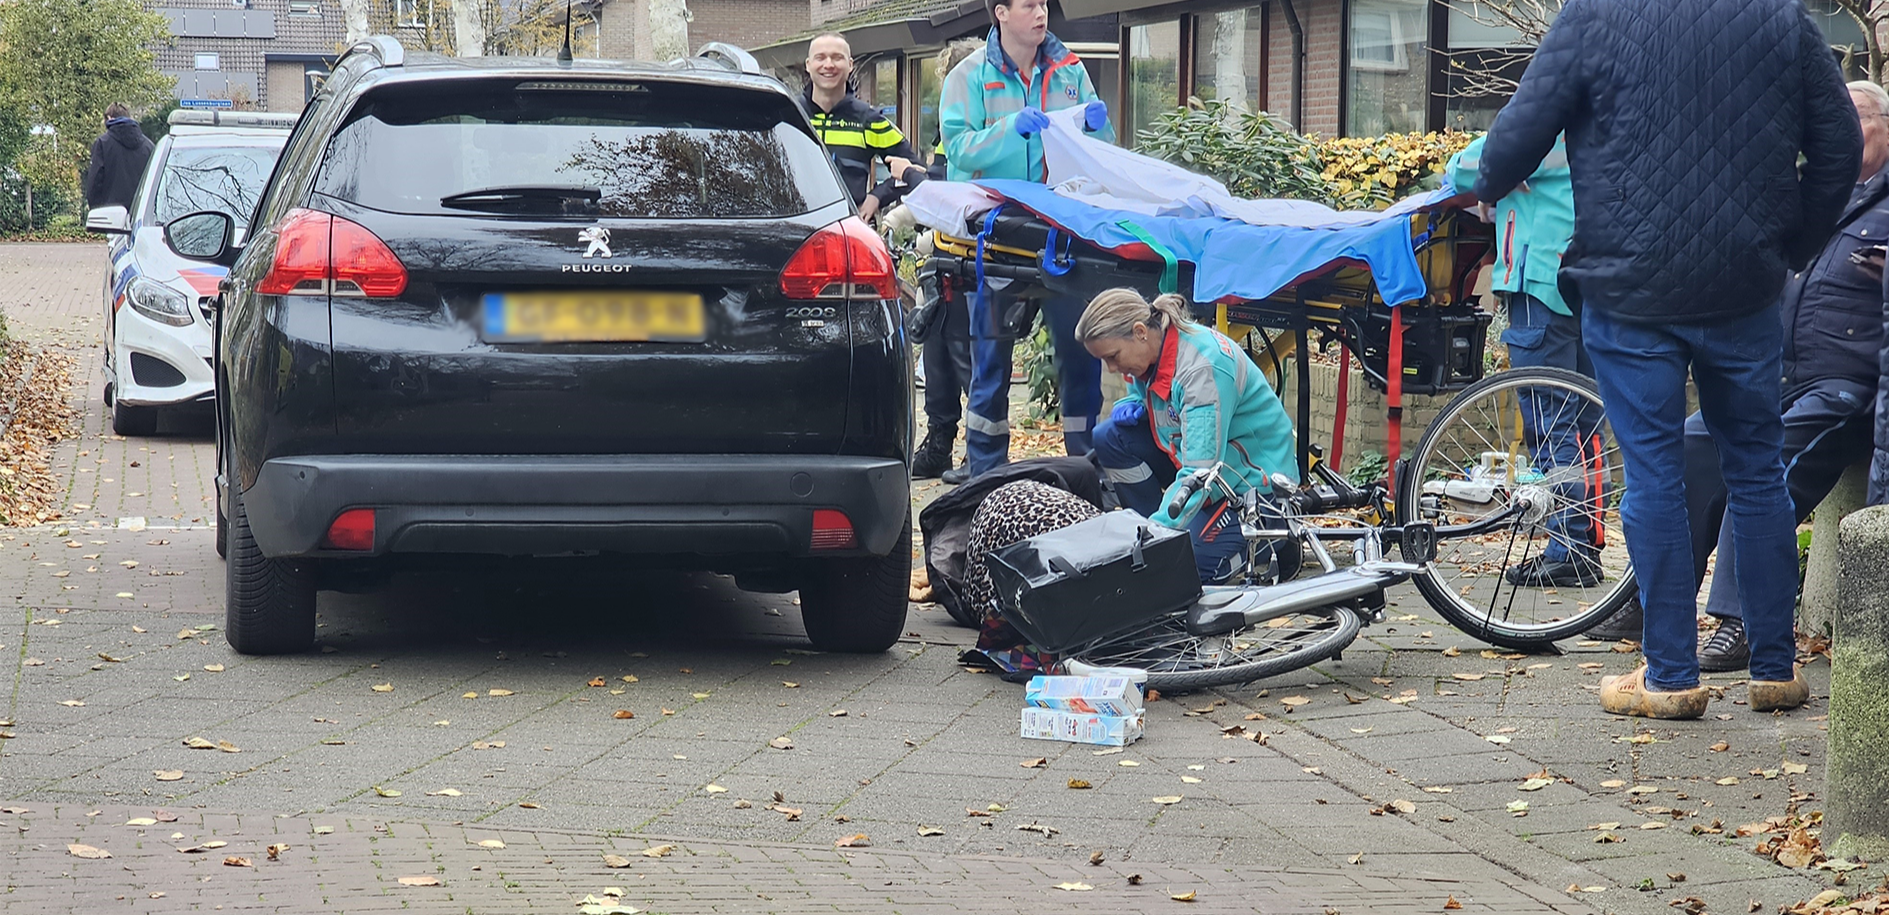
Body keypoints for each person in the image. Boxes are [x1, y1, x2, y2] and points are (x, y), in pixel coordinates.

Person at [1475, 0, 1860, 719]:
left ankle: (1670, 675)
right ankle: (1774, 669)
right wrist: (1787, 249)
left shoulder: (1592, 16)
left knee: (1650, 472)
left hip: (1629, 290)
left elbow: (1510, 147)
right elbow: (1839, 142)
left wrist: (1473, 185)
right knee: (1755, 468)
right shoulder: (1781, 18)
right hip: (1742, 289)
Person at [1678, 81, 1889, 672]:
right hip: (1780, 374)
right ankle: (1652, 596)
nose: (1839, 135)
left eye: (1855, 120)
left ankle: (1743, 621)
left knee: (1766, 468)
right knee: (1693, 441)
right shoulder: (1816, 194)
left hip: (1850, 387)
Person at [939, 0, 1113, 485]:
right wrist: (1010, 131)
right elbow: (959, 149)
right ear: (1000, 12)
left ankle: (1087, 466)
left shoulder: (1070, 69)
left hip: (1062, 231)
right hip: (1000, 232)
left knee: (1082, 352)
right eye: (1030, 5)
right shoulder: (969, 76)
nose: (1041, 14)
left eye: (1044, 5)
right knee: (991, 357)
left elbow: (1102, 152)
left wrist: (1102, 128)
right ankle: (985, 470)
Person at [1447, 135, 1614, 601]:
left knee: (1549, 423)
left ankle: (1567, 549)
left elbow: (1466, 165)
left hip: (1538, 278)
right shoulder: (1600, 110)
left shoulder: (1547, 116)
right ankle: (1587, 543)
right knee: (1586, 426)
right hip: (1588, 282)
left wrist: (1492, 185)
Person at [1080, 289, 1297, 585]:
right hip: (1211, 469)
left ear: (1140, 332)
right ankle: (1153, 535)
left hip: (1256, 485)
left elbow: (1200, 471)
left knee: (1190, 569)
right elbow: (1147, 384)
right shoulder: (1154, 345)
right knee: (1111, 437)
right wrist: (1131, 399)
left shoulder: (1201, 371)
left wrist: (1157, 536)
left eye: (1113, 357)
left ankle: (1276, 539)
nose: (1113, 369)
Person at [909, 39, 984, 480]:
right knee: (936, 351)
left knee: (969, 357)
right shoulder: (948, 132)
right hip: (942, 257)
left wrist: (914, 184)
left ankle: (980, 451)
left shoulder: (983, 133)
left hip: (975, 260)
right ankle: (939, 442)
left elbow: (955, 188)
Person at [799, 33, 918, 224]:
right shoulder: (789, 115)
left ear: (850, 65)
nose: (828, 65)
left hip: (847, 230)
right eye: (820, 57)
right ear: (808, 65)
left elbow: (915, 169)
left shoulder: (870, 120)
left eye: (837, 58)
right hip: (793, 229)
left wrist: (878, 196)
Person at [83, 103, 153, 211]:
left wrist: (96, 211)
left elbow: (95, 184)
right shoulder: (149, 147)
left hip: (109, 217)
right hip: (141, 216)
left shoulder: (102, 144)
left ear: (109, 118)